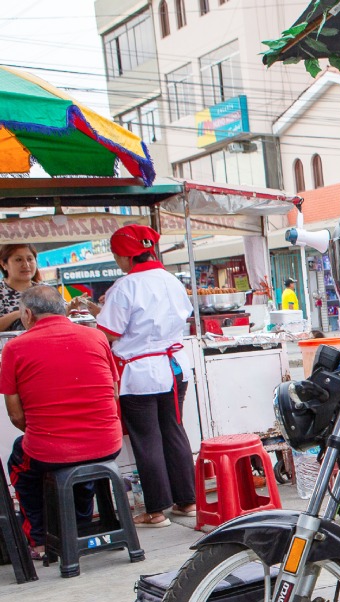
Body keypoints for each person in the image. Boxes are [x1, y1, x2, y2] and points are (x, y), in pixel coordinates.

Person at [79, 224, 197, 528]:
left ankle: (156, 511)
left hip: (141, 371)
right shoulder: (171, 280)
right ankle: (187, 501)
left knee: (147, 439)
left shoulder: (125, 286)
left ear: (124, 256)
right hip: (174, 367)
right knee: (174, 429)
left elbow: (109, 332)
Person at [1, 286, 122, 558]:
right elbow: (114, 393)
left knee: (21, 462)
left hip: (52, 449)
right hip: (107, 442)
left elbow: (16, 415)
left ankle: (41, 540)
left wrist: (46, 432)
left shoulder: (14, 347)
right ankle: (78, 525)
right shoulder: (97, 337)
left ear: (28, 314)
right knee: (81, 464)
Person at [0, 244, 42, 332]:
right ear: (3, 264)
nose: (26, 265)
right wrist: (18, 314)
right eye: (18, 260)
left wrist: (70, 308)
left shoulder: (46, 291)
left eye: (30, 259)